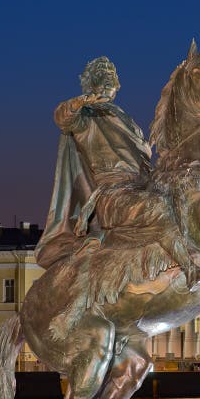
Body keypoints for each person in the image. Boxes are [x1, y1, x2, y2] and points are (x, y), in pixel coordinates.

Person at [36, 57, 152, 268]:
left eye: (112, 76)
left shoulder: (124, 116)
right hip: (114, 190)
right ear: (90, 83)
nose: (109, 81)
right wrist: (81, 102)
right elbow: (63, 118)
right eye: (102, 76)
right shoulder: (86, 116)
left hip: (141, 184)